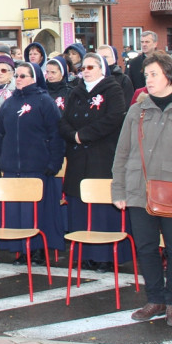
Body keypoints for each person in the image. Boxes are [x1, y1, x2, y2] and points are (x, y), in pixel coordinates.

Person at [111, 51, 172, 327]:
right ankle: (154, 298)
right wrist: (119, 189)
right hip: (139, 190)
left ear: (169, 75)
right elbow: (122, 152)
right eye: (146, 75)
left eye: (153, 74)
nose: (148, 79)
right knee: (146, 247)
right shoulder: (137, 110)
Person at [0, 60, 65, 264]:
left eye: (23, 76)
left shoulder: (44, 101)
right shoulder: (9, 103)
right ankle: (21, 249)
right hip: (11, 168)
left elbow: (56, 134)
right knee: (16, 213)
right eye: (17, 76)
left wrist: (54, 163)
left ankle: (38, 249)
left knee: (35, 212)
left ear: (34, 78)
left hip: (37, 167)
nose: (19, 79)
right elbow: (0, 134)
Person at [58, 53, 127, 272]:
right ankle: (84, 253)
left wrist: (84, 134)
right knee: (80, 205)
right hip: (78, 157)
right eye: (82, 68)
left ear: (101, 69)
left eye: (90, 67)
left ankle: (104, 256)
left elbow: (114, 118)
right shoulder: (76, 92)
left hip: (101, 155)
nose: (85, 71)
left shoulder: (112, 90)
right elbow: (65, 120)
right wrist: (73, 135)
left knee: (100, 208)